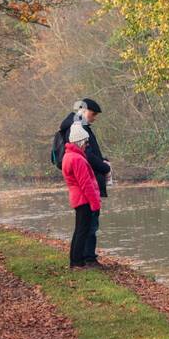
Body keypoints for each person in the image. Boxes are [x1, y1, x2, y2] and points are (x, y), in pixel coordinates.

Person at [56, 98, 110, 262]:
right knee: (87, 227)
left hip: (82, 194)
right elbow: (86, 170)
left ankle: (79, 260)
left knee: (83, 227)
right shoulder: (77, 130)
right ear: (84, 111)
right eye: (93, 114)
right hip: (85, 196)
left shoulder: (76, 130)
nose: (94, 118)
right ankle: (86, 259)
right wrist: (105, 167)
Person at [62, 121, 102, 268]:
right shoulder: (77, 159)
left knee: (79, 230)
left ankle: (74, 261)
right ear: (79, 142)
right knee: (82, 231)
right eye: (85, 142)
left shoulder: (68, 156)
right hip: (83, 199)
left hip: (77, 198)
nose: (87, 145)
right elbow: (86, 184)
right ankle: (78, 263)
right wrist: (95, 204)